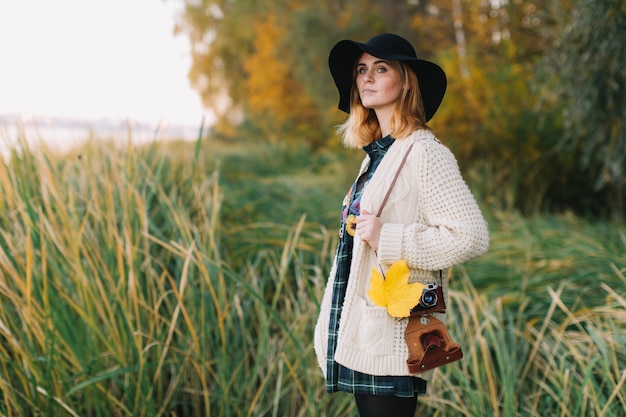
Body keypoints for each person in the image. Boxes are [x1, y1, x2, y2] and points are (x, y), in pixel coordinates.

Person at [313, 33, 490, 416]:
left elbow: (470, 237)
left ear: (406, 80)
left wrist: (390, 237)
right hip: (363, 331)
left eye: (381, 69)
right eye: (361, 70)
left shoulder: (425, 152)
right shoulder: (376, 157)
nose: (367, 79)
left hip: (392, 335)